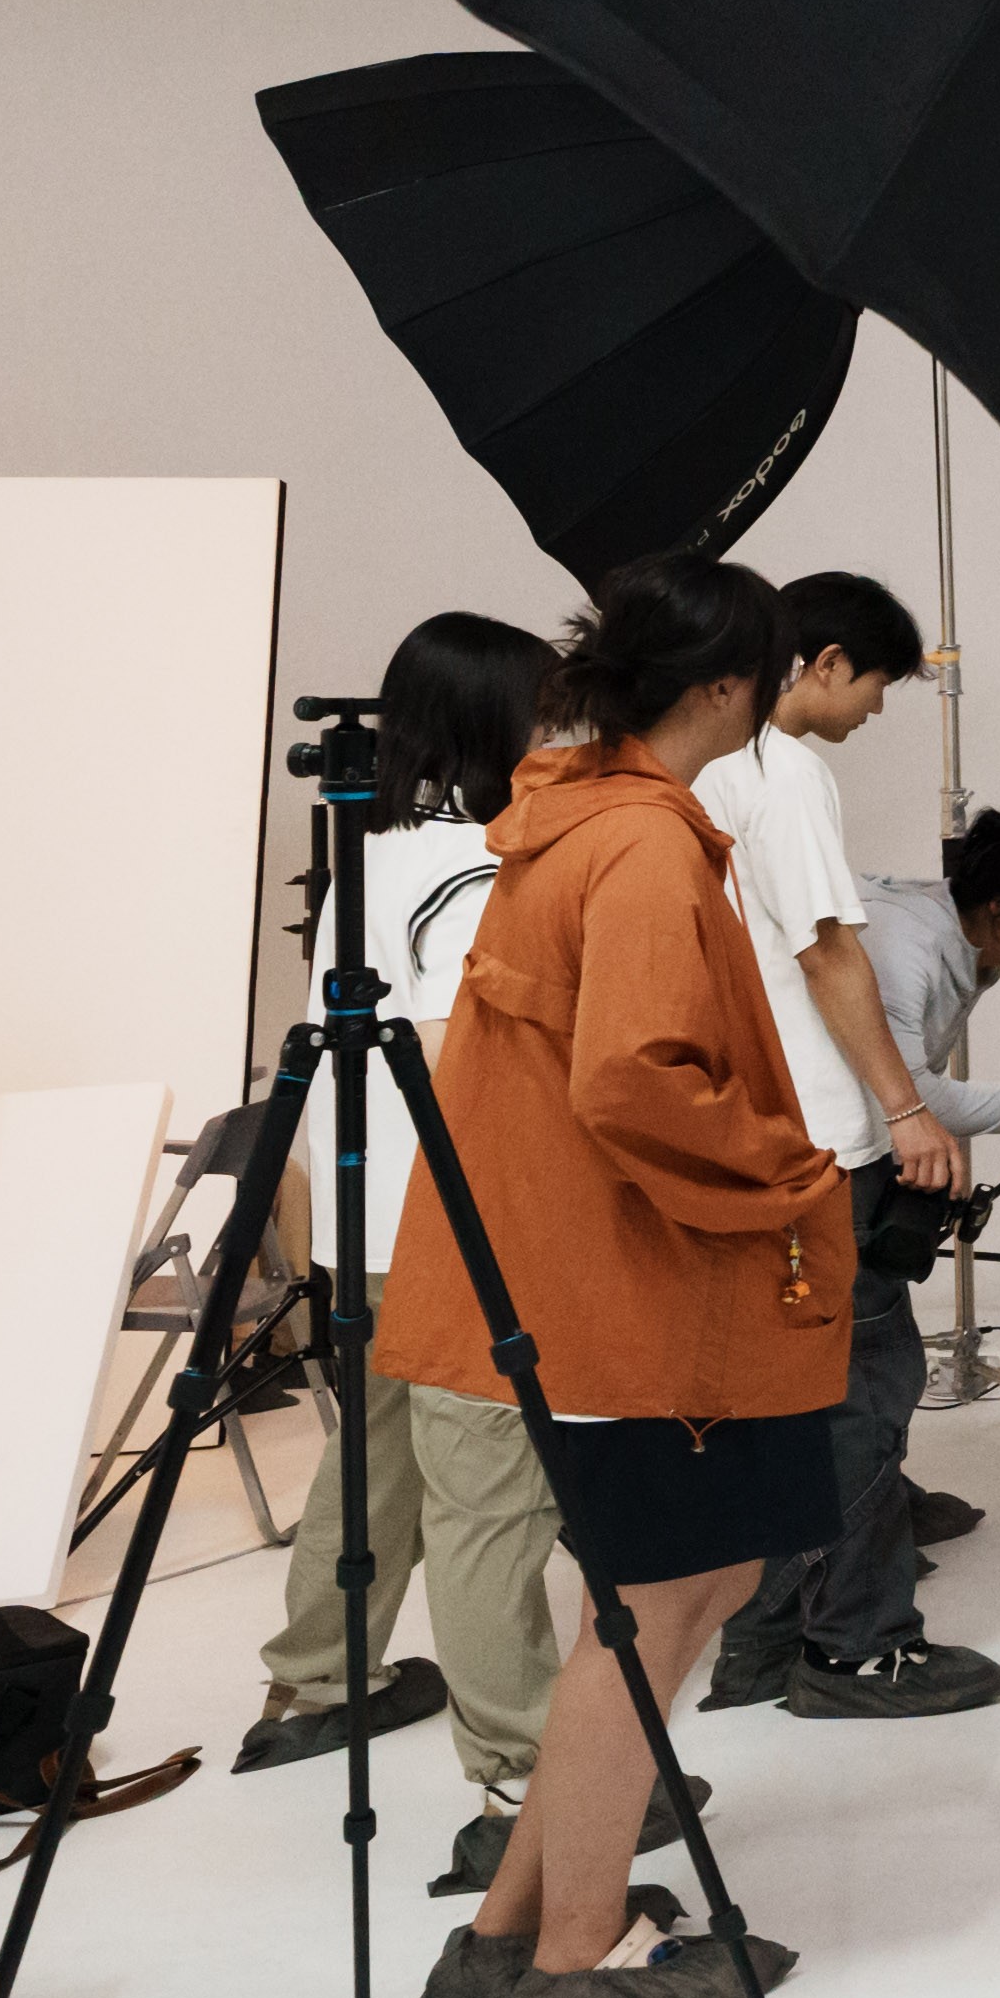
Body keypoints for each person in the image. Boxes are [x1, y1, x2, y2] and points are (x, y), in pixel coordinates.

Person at [371, 556, 845, 1998]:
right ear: (729, 686)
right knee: (655, 1609)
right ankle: (580, 1948)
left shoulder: (572, 820)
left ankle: (508, 1928)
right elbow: (636, 1076)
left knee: (665, 1598)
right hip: (642, 1295)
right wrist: (786, 1169)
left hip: (587, 1279)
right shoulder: (637, 844)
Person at [239, 609, 567, 1831]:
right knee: (489, 1496)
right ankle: (526, 1773)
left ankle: (317, 1677)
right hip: (452, 1226)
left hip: (364, 1222)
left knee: (371, 1460)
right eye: (545, 710)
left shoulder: (372, 850)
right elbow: (464, 1063)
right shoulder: (476, 869)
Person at [700, 576, 1000, 1721]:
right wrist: (908, 1110)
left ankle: (762, 1641)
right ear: (824, 663)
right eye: (875, 682)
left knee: (788, 1398)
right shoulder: (783, 776)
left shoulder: (697, 771)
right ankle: (861, 1648)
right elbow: (829, 955)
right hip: (825, 1138)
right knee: (865, 1389)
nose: (875, 708)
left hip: (755, 1132)